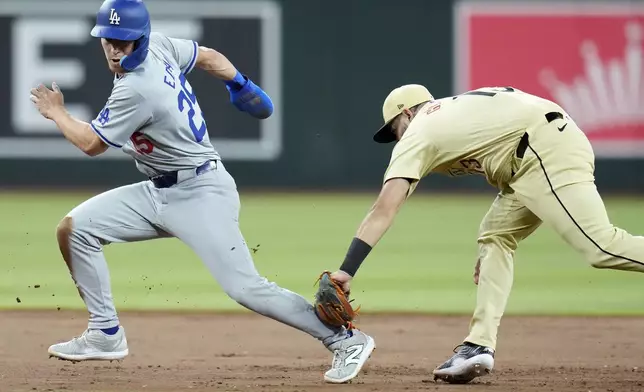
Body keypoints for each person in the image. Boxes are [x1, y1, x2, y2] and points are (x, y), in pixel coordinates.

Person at [29, 0, 374, 384]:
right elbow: (208, 56)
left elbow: (91, 144)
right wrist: (240, 84)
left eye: (122, 42)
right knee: (75, 228)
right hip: (156, 190)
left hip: (200, 191)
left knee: (245, 287)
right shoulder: (158, 44)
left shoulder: (139, 88)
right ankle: (105, 333)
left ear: (140, 39)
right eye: (108, 39)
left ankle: (344, 340)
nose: (114, 49)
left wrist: (56, 111)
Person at [324, 84, 644, 384]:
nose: (398, 140)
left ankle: (479, 344)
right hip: (540, 147)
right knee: (494, 236)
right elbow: (507, 136)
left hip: (543, 149)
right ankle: (478, 346)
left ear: (407, 113)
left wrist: (347, 269)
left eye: (395, 131)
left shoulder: (420, 131)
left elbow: (384, 208)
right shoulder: (455, 111)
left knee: (601, 246)